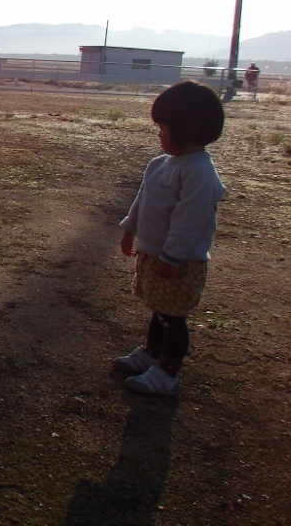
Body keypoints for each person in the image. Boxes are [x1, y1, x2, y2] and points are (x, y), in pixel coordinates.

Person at [114, 81, 226, 395]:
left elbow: (190, 221)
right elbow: (142, 200)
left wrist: (172, 257)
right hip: (155, 255)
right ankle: (151, 352)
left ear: (190, 129)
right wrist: (129, 229)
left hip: (178, 263)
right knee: (159, 307)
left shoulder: (199, 173)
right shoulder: (159, 165)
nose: (159, 134)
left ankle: (168, 372)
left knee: (172, 316)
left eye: (163, 127)